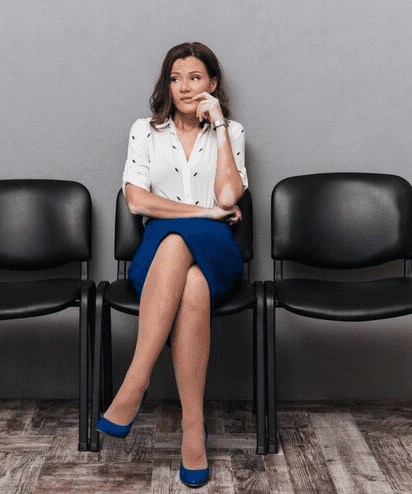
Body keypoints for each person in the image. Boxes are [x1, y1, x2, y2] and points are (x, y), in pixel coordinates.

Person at [95, 42, 248, 488]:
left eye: (195, 77)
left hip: (218, 249)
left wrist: (218, 125)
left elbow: (227, 197)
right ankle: (193, 431)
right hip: (157, 253)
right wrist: (200, 214)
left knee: (190, 254)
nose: (184, 86)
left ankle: (135, 382)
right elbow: (136, 199)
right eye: (176, 78)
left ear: (213, 84)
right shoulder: (145, 130)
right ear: (166, 83)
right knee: (190, 280)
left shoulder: (232, 131)